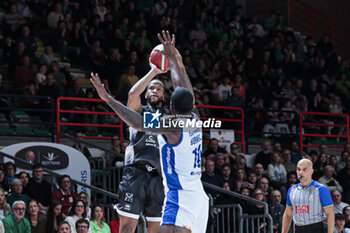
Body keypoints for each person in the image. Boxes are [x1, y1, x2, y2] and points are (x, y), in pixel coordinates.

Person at [91, 30, 209, 233]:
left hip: (178, 194)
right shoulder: (195, 118)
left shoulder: (169, 124)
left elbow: (136, 122)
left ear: (170, 105)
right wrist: (175, 60)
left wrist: (109, 100)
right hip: (198, 194)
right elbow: (185, 89)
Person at [281, 159, 334, 233]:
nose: (301, 172)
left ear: (311, 171)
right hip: (298, 229)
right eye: (298, 169)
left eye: (304, 169)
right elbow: (287, 215)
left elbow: (330, 213)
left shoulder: (321, 189)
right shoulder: (292, 190)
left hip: (316, 229)